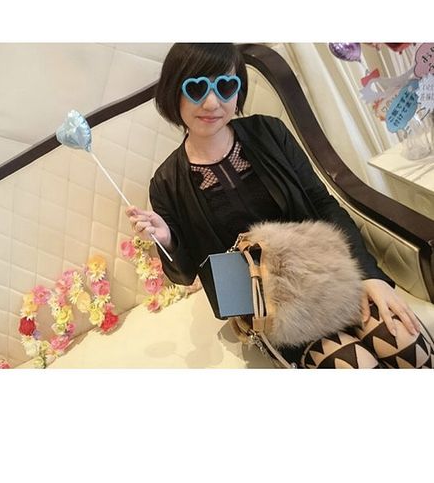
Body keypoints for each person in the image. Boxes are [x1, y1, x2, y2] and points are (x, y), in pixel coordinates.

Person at [126, 43, 434, 369]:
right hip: (268, 306)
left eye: (226, 86)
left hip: (325, 273)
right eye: (197, 88)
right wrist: (167, 240)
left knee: (405, 340)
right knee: (351, 365)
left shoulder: (270, 132)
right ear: (174, 92)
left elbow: (323, 205)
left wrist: (369, 275)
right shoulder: (166, 183)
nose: (212, 102)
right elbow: (185, 273)